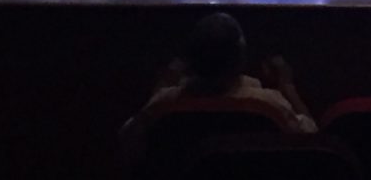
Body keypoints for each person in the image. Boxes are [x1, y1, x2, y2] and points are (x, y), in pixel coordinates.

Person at [120, 12, 317, 165]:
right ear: (241, 58)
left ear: (189, 60)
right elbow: (311, 141)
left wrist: (162, 88)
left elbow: (129, 144)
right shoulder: (269, 106)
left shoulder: (163, 106)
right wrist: (288, 87)